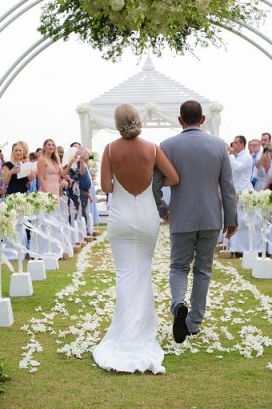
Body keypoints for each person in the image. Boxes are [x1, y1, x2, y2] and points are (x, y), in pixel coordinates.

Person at [93, 104, 179, 374]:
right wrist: (152, 185)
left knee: (124, 274)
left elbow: (106, 186)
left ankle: (125, 332)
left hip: (120, 217)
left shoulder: (109, 149)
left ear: (117, 123)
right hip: (146, 216)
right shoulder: (152, 148)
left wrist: (120, 181)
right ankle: (139, 331)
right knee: (142, 272)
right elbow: (174, 178)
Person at [153, 100, 237, 343]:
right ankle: (194, 323)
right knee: (203, 270)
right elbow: (227, 186)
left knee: (179, 267)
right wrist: (230, 218)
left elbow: (154, 183)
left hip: (181, 215)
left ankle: (179, 304)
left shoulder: (167, 146)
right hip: (211, 216)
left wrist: (162, 208)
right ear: (202, 120)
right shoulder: (219, 145)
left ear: (180, 120)